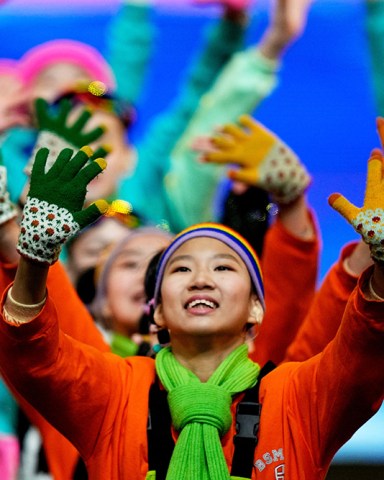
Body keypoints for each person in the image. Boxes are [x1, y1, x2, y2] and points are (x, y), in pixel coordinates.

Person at [0, 129, 383, 479]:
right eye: (180, 269)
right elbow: (36, 354)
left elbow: (363, 347)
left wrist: (376, 261)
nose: (201, 278)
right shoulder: (114, 390)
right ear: (159, 311)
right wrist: (31, 254)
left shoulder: (293, 394)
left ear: (256, 309)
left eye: (223, 266)